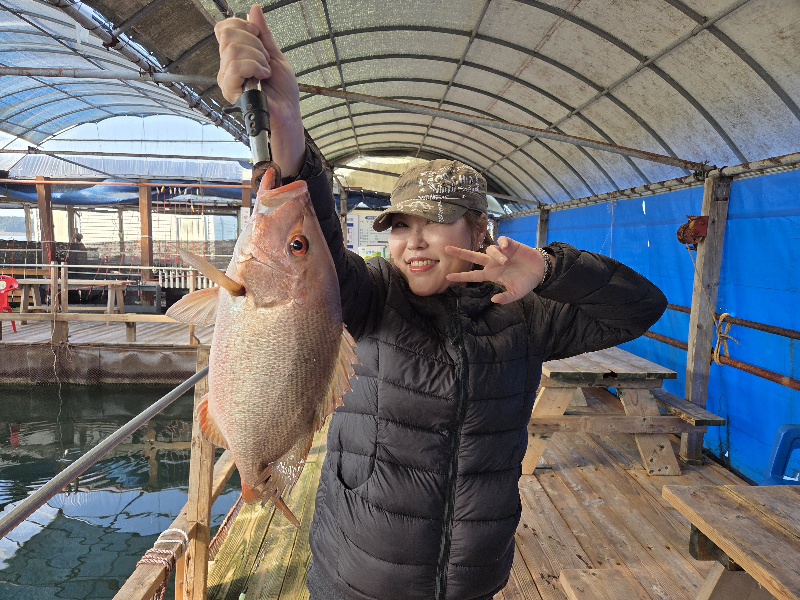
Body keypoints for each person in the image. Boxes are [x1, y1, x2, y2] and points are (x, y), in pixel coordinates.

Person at [215, 7, 668, 600]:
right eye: (401, 226)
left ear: (479, 229)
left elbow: (640, 309)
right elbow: (310, 234)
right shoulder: (371, 295)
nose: (414, 242)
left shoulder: (525, 312)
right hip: (358, 578)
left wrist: (554, 270)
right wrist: (286, 122)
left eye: (434, 222)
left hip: (473, 578)